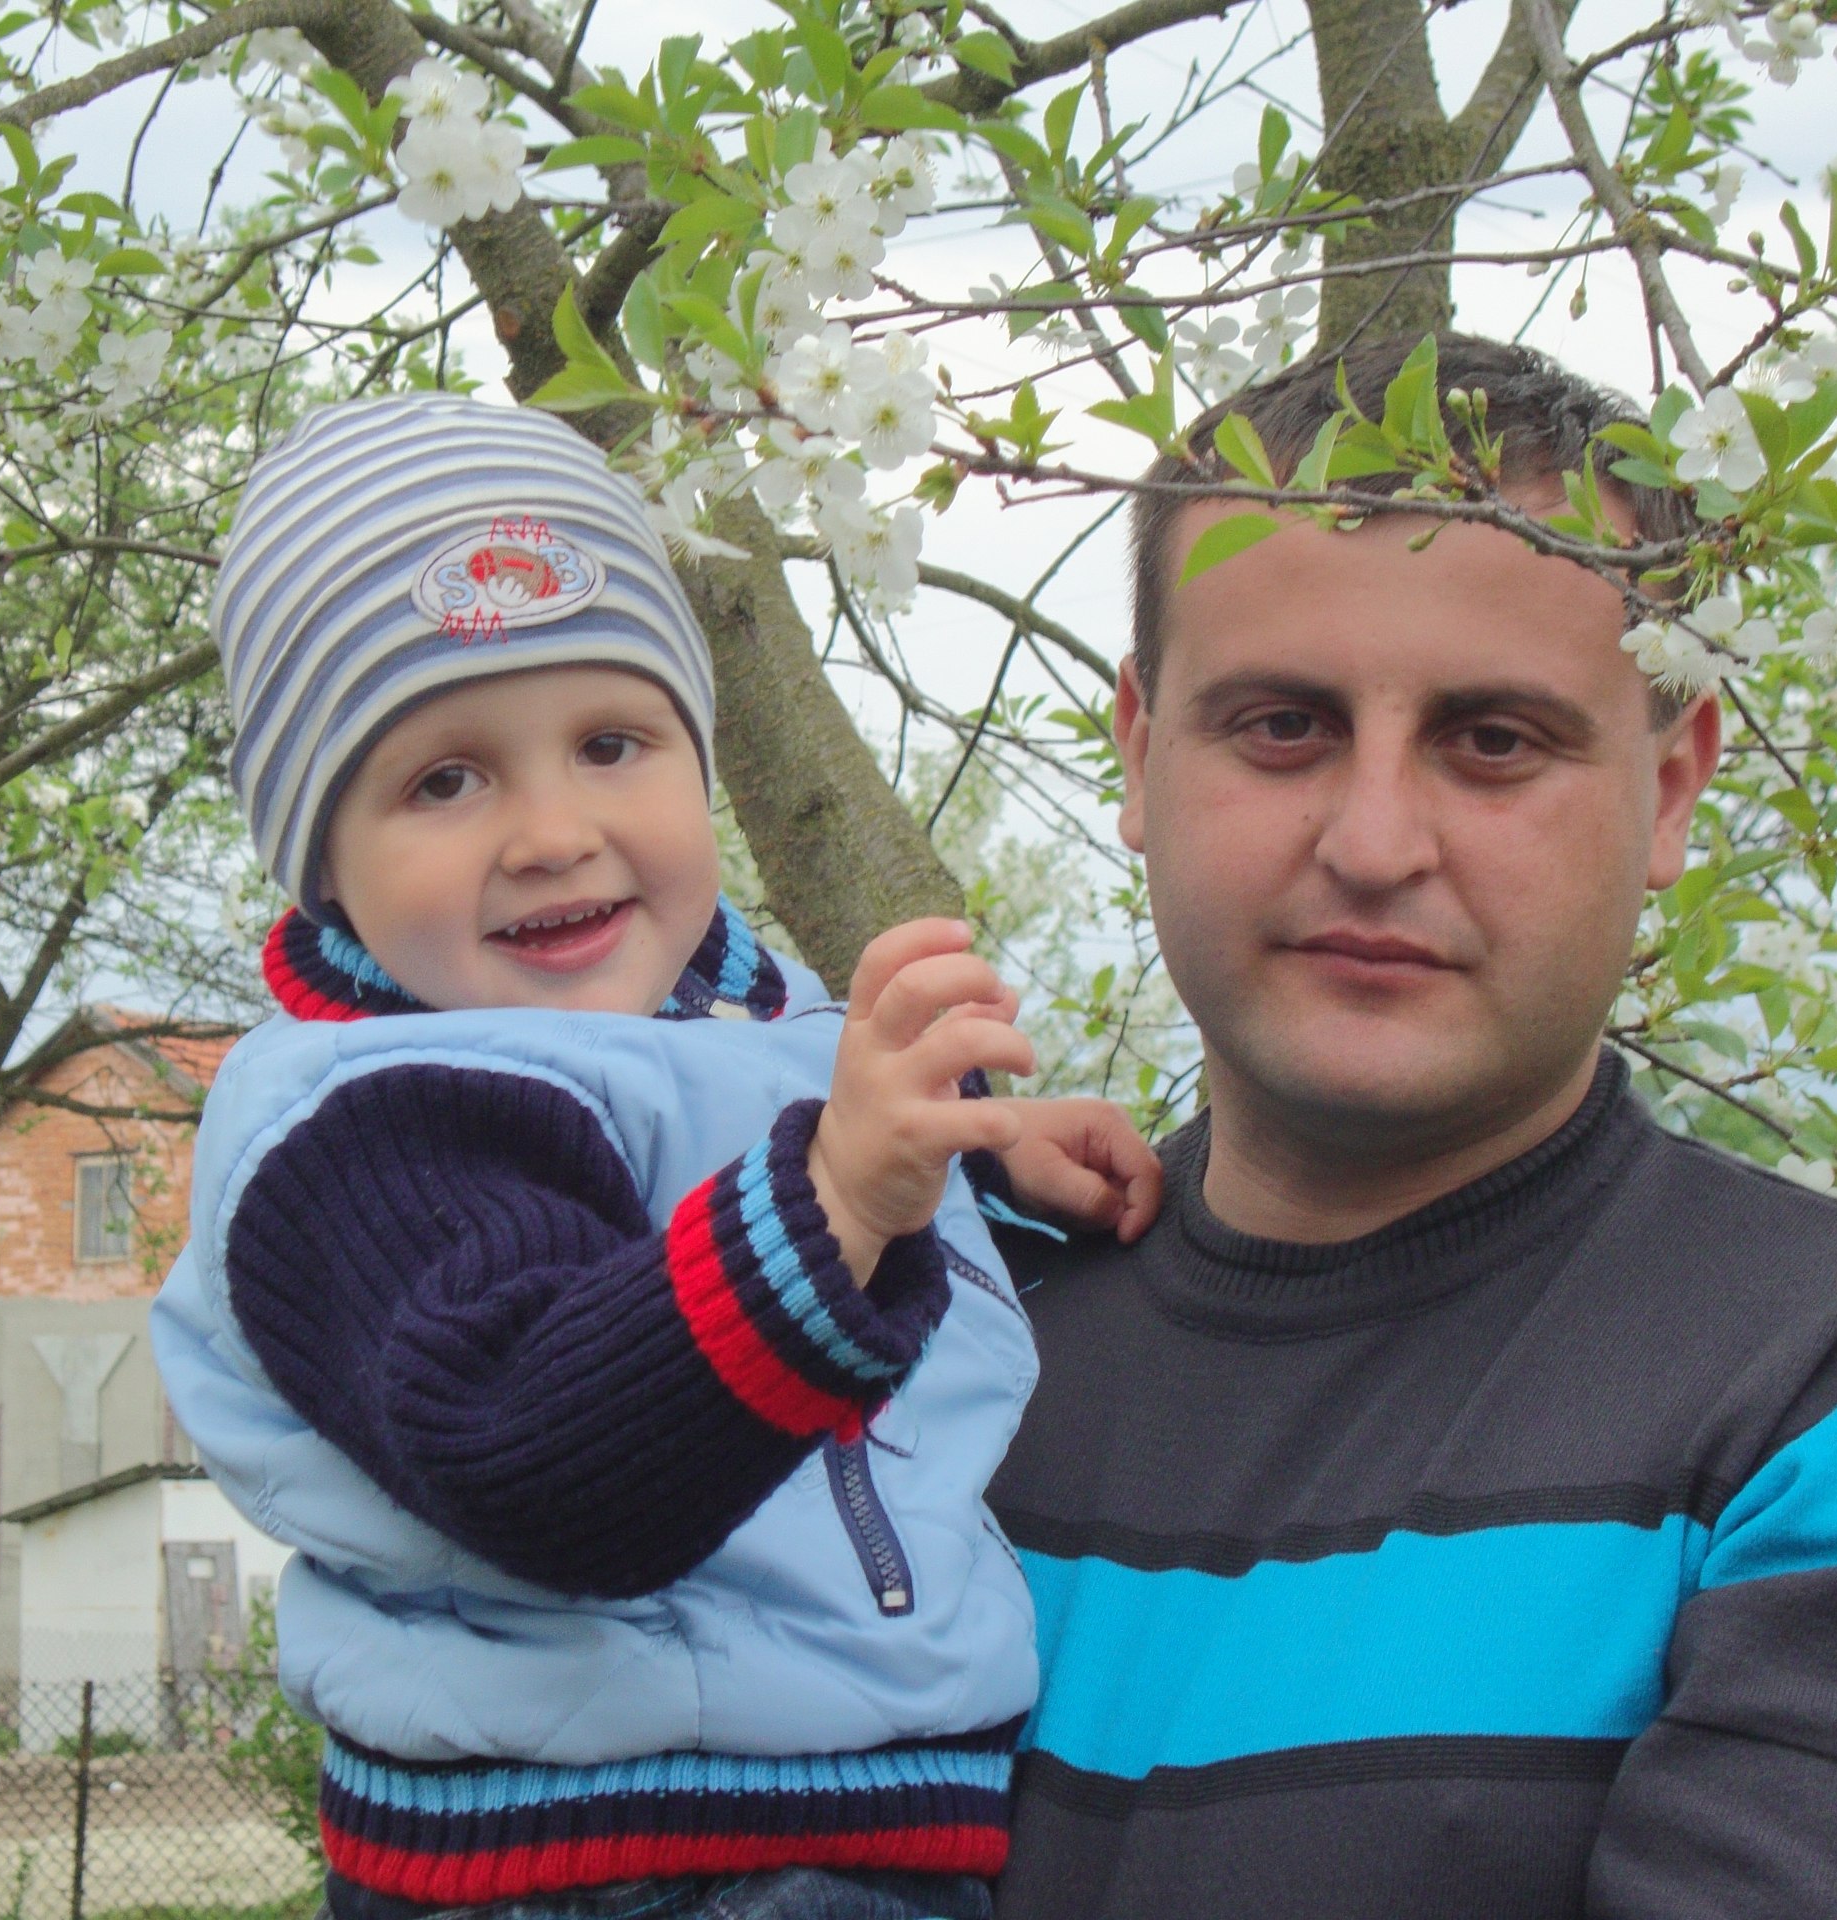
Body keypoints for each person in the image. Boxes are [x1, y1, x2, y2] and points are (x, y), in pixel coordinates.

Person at [984, 332, 1837, 1920]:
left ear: (1671, 788)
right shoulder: (916, 1346)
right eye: (1283, 725)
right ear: (1138, 750)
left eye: (1495, 741)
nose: (1377, 842)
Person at [151, 392, 1159, 1920]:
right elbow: (535, 1452)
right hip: (597, 1860)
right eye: (444, 780)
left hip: (852, 1818)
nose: (552, 830)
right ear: (323, 864)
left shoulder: (757, 1031)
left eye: (611, 743)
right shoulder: (363, 1130)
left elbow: (771, 1190)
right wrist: (842, 1194)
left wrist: (977, 1157)